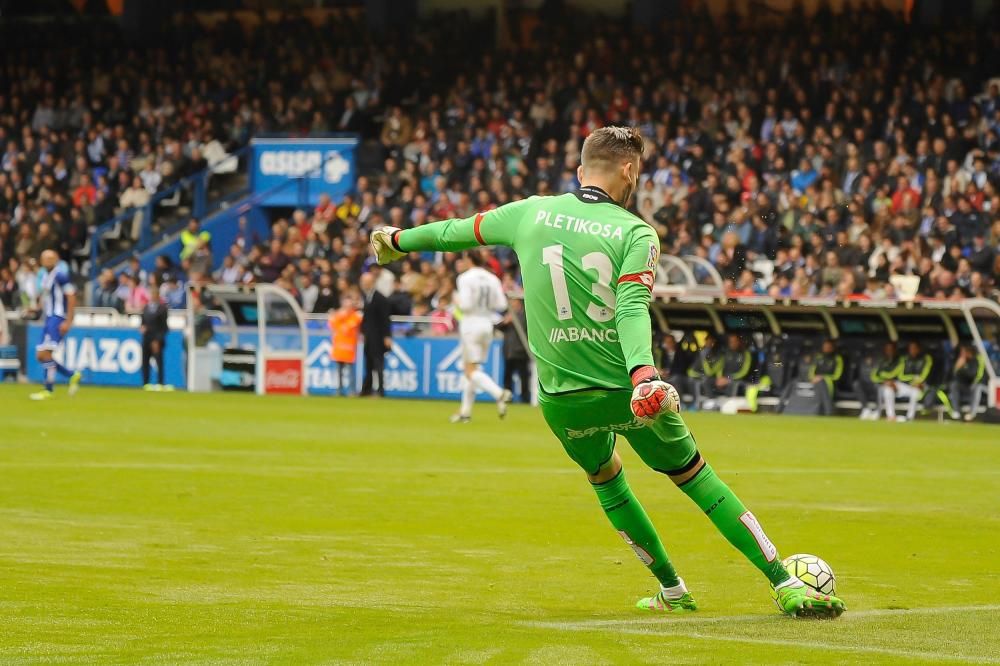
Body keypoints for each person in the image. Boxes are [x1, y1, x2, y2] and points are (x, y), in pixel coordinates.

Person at [371, 126, 844, 617]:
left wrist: (397, 240)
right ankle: (783, 581)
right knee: (697, 478)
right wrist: (644, 374)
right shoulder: (636, 232)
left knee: (607, 480)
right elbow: (631, 304)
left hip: (561, 399)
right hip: (627, 389)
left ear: (580, 172)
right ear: (630, 171)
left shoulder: (529, 212)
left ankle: (674, 592)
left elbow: (454, 231)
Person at [450, 249, 512, 423]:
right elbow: (501, 304)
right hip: (487, 324)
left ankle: (499, 393)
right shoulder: (492, 278)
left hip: (471, 324)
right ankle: (465, 413)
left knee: (470, 371)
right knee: (473, 369)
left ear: (469, 259)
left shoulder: (464, 278)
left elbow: (466, 305)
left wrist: (457, 302)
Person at [30, 250, 81, 400]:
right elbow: (47, 297)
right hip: (49, 317)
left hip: (58, 318)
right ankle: (71, 374)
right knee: (41, 355)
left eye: (51, 258)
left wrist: (68, 320)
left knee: (45, 354)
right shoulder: (46, 276)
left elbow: (71, 296)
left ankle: (48, 389)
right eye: (45, 258)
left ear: (57, 259)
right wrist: (37, 308)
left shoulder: (60, 276)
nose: (48, 261)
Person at [695, 334, 752, 408]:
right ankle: (711, 401)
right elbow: (720, 367)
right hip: (723, 378)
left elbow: (744, 372)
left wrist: (729, 378)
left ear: (739, 342)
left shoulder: (746, 354)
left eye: (734, 341)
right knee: (707, 380)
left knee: (734, 384)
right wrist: (720, 378)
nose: (732, 343)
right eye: (731, 342)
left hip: (738, 380)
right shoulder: (726, 353)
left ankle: (730, 403)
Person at [881, 340, 933, 422]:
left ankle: (909, 418)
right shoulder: (904, 359)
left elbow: (925, 374)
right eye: (911, 348)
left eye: (915, 348)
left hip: (920, 386)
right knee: (888, 389)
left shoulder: (926, 358)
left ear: (919, 349)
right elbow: (900, 375)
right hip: (905, 385)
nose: (913, 350)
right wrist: (889, 381)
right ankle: (891, 416)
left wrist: (918, 382)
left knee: (916, 393)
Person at [359, 271, 392, 397]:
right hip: (369, 337)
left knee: (378, 364)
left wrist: (387, 336)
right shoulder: (367, 297)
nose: (363, 284)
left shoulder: (380, 298)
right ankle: (366, 389)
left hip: (378, 337)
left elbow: (385, 319)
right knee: (368, 363)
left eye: (366, 282)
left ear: (372, 283)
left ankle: (380, 390)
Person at [855, 342, 901, 420]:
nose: (889, 351)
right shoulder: (881, 361)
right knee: (858, 384)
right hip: (883, 384)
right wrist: (883, 381)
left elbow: (896, 373)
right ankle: (866, 409)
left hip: (896, 385)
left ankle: (878, 411)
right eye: (887, 349)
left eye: (891, 349)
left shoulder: (899, 360)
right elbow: (873, 375)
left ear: (895, 350)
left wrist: (885, 378)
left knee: (882, 388)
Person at [329, 292, 363, 396]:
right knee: (339, 370)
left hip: (349, 347)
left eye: (349, 304)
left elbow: (351, 325)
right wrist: (340, 315)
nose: (347, 306)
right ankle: (339, 390)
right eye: (345, 304)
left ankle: (351, 390)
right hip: (339, 347)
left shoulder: (356, 315)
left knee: (350, 370)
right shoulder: (338, 315)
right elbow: (332, 324)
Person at [499, 297, 531, 404]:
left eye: (514, 301)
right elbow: (497, 327)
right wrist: (504, 322)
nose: (512, 303)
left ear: (519, 302)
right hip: (508, 351)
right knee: (507, 376)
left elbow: (526, 330)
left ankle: (525, 398)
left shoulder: (525, 315)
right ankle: (508, 397)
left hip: (521, 351)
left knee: (524, 377)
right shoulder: (507, 314)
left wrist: (515, 320)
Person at [944, 343, 988, 421]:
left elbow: (977, 376)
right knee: (954, 385)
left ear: (969, 352)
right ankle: (956, 411)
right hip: (966, 388)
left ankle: (972, 413)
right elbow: (955, 377)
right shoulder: (962, 361)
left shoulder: (978, 359)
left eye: (963, 352)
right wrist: (957, 367)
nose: (962, 354)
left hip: (983, 388)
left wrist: (962, 370)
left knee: (976, 387)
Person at [140, 284, 169, 389]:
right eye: (151, 294)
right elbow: (142, 322)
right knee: (145, 361)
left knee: (159, 362)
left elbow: (164, 327)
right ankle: (145, 383)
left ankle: (160, 383)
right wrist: (142, 327)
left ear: (158, 296)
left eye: (154, 294)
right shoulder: (146, 307)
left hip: (157, 339)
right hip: (146, 338)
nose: (152, 296)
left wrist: (157, 340)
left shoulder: (162, 309)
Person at [808, 339, 844, 416]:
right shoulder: (818, 357)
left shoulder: (837, 358)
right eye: (825, 347)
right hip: (816, 382)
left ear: (832, 348)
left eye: (828, 347)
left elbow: (837, 376)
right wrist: (813, 378)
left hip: (831, 383)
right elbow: (811, 371)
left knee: (822, 383)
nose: (826, 348)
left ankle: (827, 412)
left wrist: (823, 377)